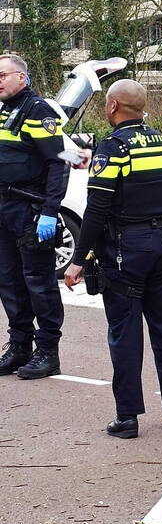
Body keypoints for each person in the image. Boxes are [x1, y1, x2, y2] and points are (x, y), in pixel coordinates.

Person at [64, 80, 162, 439]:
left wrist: (77, 259)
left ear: (114, 105)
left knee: (125, 334)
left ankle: (127, 417)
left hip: (126, 250)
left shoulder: (113, 147)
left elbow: (97, 208)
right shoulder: (161, 141)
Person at [0, 54, 69, 380]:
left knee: (39, 283)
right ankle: (19, 346)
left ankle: (47, 352)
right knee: (9, 281)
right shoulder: (3, 111)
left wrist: (50, 211)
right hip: (3, 209)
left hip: (29, 209)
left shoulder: (38, 112)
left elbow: (59, 163)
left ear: (22, 78)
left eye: (2, 75)